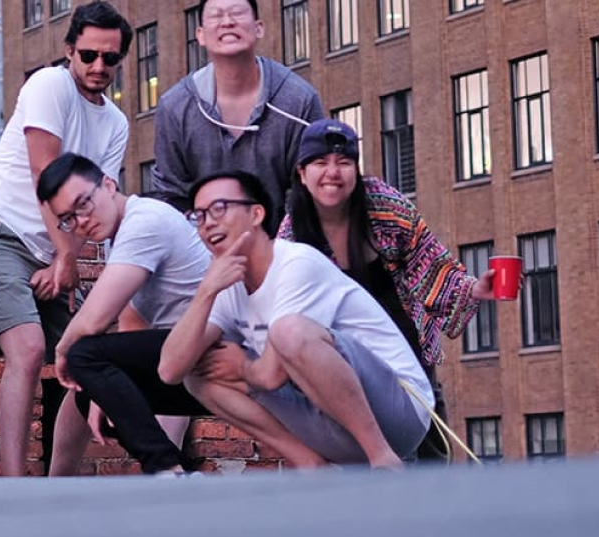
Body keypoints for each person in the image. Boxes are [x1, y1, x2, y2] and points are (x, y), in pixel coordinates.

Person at [159, 169, 433, 469]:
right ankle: (311, 464)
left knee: (288, 332)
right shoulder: (225, 284)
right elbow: (170, 370)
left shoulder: (296, 263)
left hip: (397, 415)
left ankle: (383, 459)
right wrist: (206, 291)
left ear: (256, 214)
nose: (208, 222)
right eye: (199, 216)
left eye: (219, 208)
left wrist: (243, 367)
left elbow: (270, 376)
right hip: (330, 420)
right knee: (197, 374)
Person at [0, 0, 133, 476]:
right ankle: (14, 485)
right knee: (29, 348)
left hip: (52, 250)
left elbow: (95, 205)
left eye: (110, 58)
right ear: (69, 50)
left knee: (83, 356)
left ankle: (59, 484)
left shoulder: (116, 124)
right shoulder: (48, 84)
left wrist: (62, 261)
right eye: (89, 55)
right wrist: (65, 258)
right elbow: (45, 175)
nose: (99, 66)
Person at [278, 118, 495, 459]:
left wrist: (473, 289)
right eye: (320, 162)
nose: (332, 172)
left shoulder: (384, 205)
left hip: (406, 353)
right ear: (302, 174)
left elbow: (430, 261)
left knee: (430, 459)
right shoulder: (292, 237)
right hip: (341, 366)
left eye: (343, 162)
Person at [38, 153, 211, 474]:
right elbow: (132, 323)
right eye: (68, 219)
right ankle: (56, 487)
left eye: (83, 204)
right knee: (83, 388)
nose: (81, 221)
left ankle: (168, 471)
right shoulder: (116, 236)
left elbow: (94, 319)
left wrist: (63, 351)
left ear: (108, 184)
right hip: (180, 357)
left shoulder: (145, 221)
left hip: (212, 356)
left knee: (81, 353)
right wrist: (105, 391)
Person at [151, 0, 323, 224]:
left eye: (238, 13)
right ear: (200, 35)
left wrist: (275, 244)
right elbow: (171, 197)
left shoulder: (298, 100)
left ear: (259, 28)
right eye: (216, 15)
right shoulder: (175, 107)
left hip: (283, 243)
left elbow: (309, 191)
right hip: (202, 243)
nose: (227, 22)